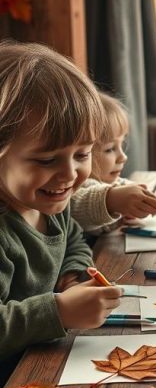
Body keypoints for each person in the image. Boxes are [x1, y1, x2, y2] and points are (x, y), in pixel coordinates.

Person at [0, 42, 123, 361]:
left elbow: (73, 240)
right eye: (46, 160)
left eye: (82, 155)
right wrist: (59, 311)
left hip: (39, 362)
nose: (69, 174)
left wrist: (74, 273)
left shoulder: (50, 205)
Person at [70, 92, 156, 233]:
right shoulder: (69, 189)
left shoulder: (106, 181)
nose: (123, 157)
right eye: (109, 149)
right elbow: (76, 204)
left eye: (122, 145)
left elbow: (119, 186)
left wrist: (134, 196)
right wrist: (112, 200)